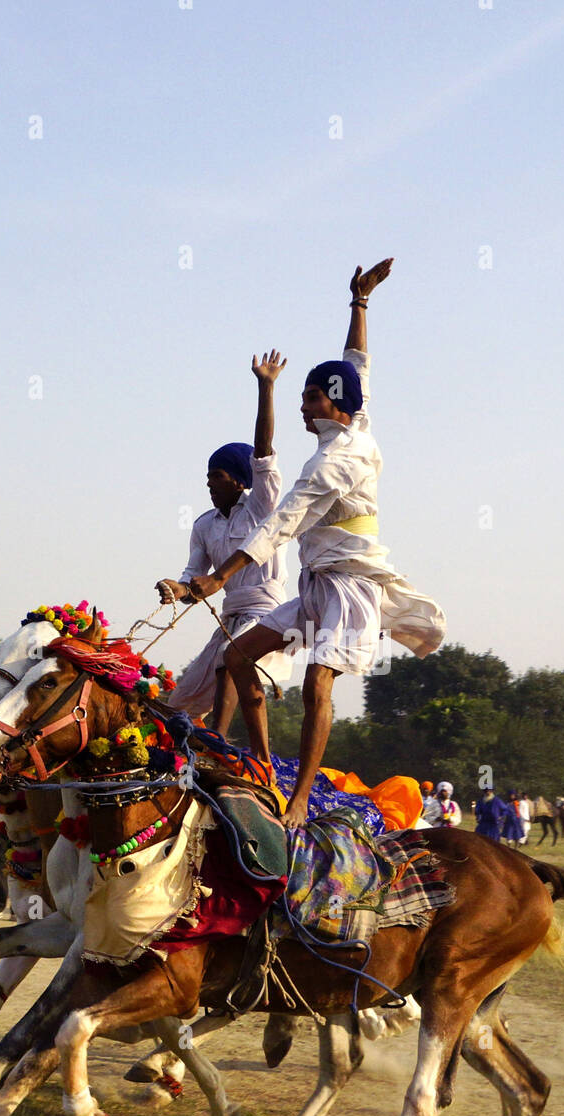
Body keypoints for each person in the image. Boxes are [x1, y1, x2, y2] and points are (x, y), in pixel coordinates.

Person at [187, 260, 446, 825]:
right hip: (313, 586)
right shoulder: (357, 423)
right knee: (235, 657)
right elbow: (357, 368)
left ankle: (299, 798)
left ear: (332, 404)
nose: (303, 406)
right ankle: (258, 765)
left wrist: (218, 578)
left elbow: (281, 524)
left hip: (350, 590)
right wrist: (359, 303)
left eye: (309, 398)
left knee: (315, 683)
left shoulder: (334, 461)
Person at [155, 352, 291, 734]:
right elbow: (192, 584)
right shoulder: (203, 526)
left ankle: (216, 741)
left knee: (231, 660)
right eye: (208, 476)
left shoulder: (261, 507)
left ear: (238, 480)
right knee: (177, 703)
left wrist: (266, 387)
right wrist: (175, 588)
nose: (209, 483)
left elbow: (263, 452)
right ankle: (185, 745)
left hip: (269, 616)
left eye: (216, 475)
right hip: (232, 615)